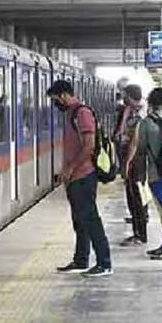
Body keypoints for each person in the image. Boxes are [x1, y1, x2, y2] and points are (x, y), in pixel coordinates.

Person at [48, 79, 113, 277]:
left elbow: (89, 146)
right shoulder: (71, 113)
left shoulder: (82, 113)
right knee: (80, 220)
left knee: (91, 219)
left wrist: (70, 169)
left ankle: (104, 263)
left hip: (84, 175)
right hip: (75, 177)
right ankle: (81, 260)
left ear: (64, 95)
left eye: (55, 99)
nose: (55, 104)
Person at [128, 87, 162, 260]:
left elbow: (141, 151)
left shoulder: (146, 123)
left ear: (150, 103)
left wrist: (140, 174)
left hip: (157, 174)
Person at [117, 84, 149, 247]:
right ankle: (138, 230)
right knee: (132, 196)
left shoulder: (142, 113)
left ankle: (140, 234)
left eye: (124, 96)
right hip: (133, 159)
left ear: (130, 96)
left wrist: (127, 162)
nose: (123, 99)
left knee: (137, 197)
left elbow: (135, 141)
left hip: (137, 160)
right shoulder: (133, 110)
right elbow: (122, 131)